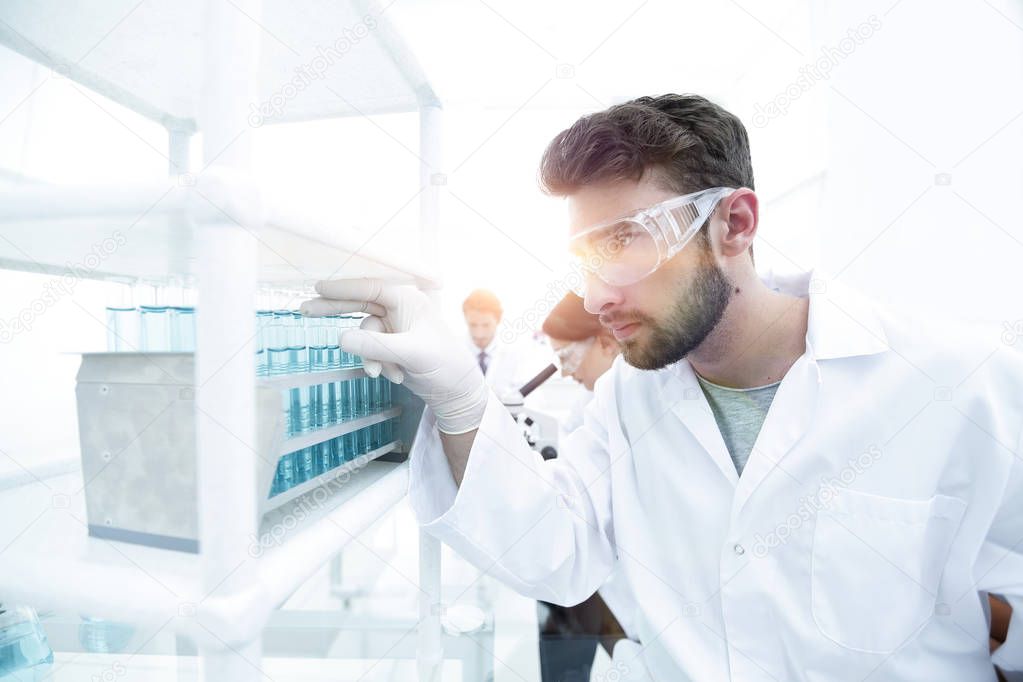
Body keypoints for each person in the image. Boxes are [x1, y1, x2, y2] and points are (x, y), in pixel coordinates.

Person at [303, 94, 1023, 680]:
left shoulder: (957, 380)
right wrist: (461, 400)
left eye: (622, 243)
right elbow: (552, 551)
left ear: (734, 224)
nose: (594, 297)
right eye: (584, 258)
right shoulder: (630, 398)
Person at [535, 293, 636, 681]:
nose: (563, 372)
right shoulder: (590, 408)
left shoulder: (642, 400)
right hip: (607, 592)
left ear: (606, 342)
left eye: (568, 358)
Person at [462, 288, 521, 399]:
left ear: (498, 320)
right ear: (465, 319)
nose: (479, 334)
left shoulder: (514, 355)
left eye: (486, 325)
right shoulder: (454, 354)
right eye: (473, 325)